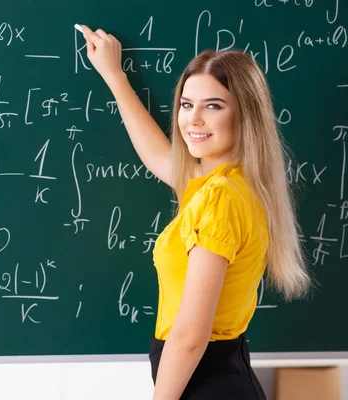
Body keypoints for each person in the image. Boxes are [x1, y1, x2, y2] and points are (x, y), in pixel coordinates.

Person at [79, 25, 312, 399]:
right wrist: (114, 75)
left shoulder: (220, 198)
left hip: (207, 382)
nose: (193, 120)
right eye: (187, 105)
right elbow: (159, 157)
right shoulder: (228, 185)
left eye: (213, 106)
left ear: (245, 115)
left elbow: (189, 337)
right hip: (219, 378)